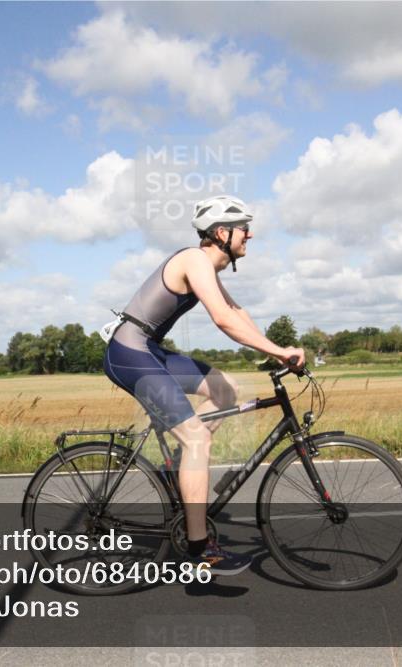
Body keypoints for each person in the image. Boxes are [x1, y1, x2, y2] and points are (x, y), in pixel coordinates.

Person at [102, 195, 305, 575]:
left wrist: (275, 352)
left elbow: (236, 313)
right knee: (198, 438)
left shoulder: (206, 267)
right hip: (129, 353)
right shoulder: (194, 260)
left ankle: (181, 469)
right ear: (222, 233)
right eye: (245, 228)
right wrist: (278, 350)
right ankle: (199, 549)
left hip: (149, 350)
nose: (251, 234)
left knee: (224, 388)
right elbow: (223, 322)